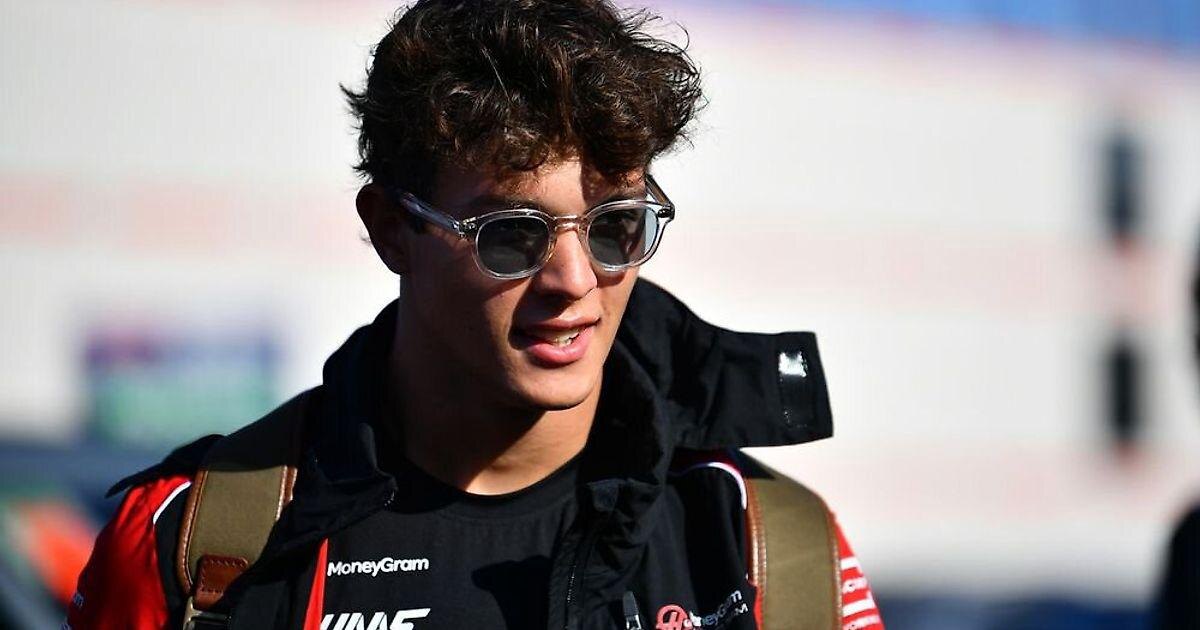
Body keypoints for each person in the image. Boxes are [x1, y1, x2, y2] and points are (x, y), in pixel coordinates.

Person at [66, 1, 884, 629]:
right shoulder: (197, 543)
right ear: (393, 230)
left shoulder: (766, 548)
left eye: (615, 227)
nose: (575, 280)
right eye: (512, 235)